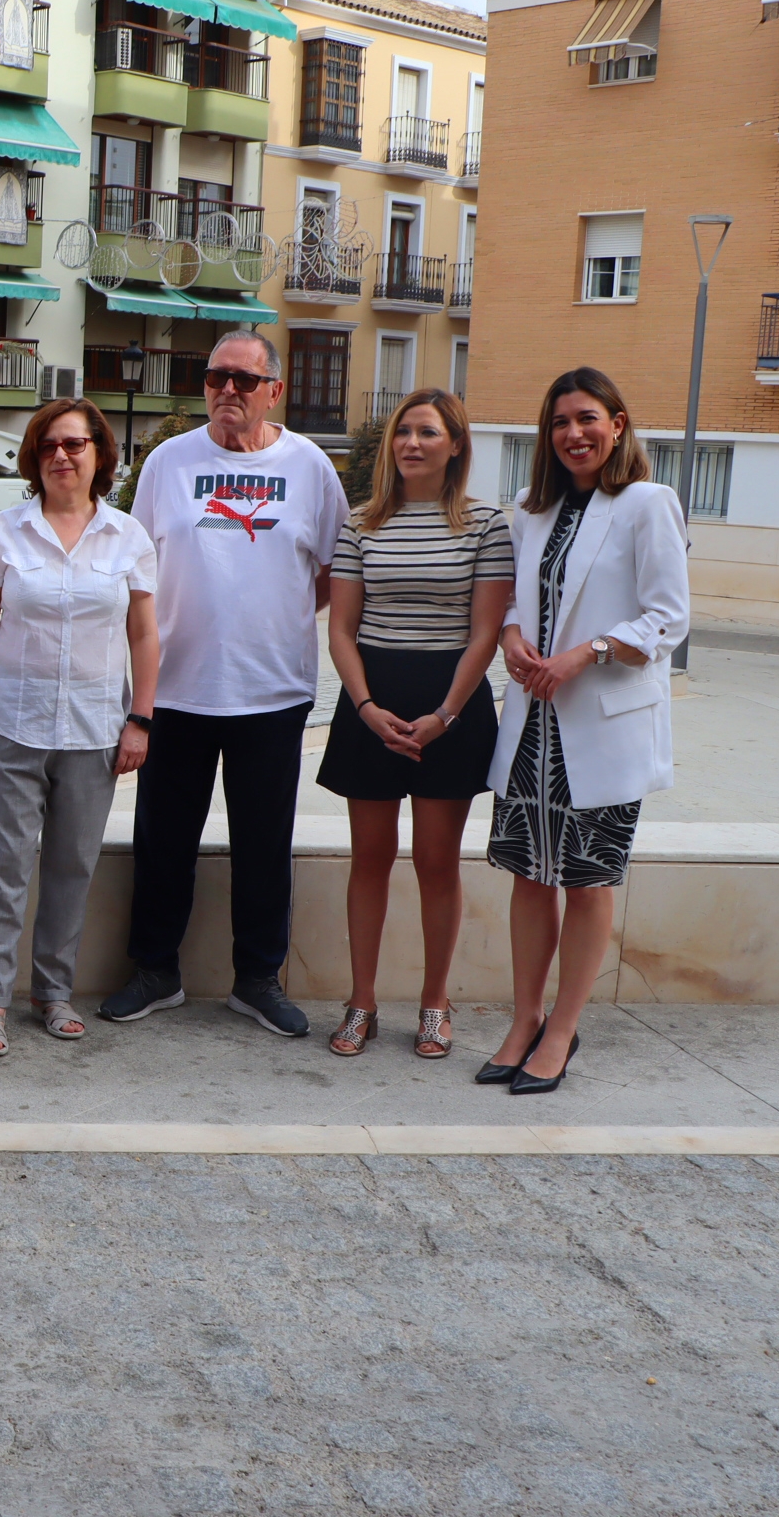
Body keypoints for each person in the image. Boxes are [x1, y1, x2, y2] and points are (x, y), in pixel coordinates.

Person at [101, 330, 350, 1037]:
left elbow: (332, 571)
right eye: (215, 378)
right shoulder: (168, 463)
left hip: (273, 692)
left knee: (265, 846)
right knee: (162, 841)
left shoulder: (310, 467)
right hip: (176, 690)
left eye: (244, 380)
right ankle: (155, 970)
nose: (227, 391)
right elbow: (137, 571)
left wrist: (270, 617)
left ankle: (258, 979)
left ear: (274, 389)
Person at [482, 367, 689, 1094]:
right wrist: (511, 637)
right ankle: (523, 1021)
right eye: (561, 421)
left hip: (600, 725)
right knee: (530, 879)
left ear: (619, 424)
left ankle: (562, 1032)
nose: (574, 433)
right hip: (533, 726)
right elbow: (515, 599)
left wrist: (587, 652)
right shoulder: (531, 509)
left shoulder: (646, 503)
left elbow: (669, 616)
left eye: (588, 419)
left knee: (588, 881)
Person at [0, 399, 157, 1057]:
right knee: (3, 867)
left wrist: (140, 720)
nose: (62, 456)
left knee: (72, 866)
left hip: (96, 729)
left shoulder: (128, 537)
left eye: (75, 444)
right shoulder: (6, 532)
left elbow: (145, 635)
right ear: (34, 460)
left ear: (99, 453)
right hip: (13, 723)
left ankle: (54, 992)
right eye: (49, 447)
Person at [317, 390, 514, 1059]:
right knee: (368, 859)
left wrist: (445, 715)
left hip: (448, 703)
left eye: (428, 432)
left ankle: (435, 1003)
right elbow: (340, 629)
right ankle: (361, 1002)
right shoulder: (361, 521)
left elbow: (486, 631)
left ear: (455, 444)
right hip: (371, 699)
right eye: (405, 431)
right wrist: (368, 708)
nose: (412, 443)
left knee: (436, 862)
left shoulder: (487, 524)